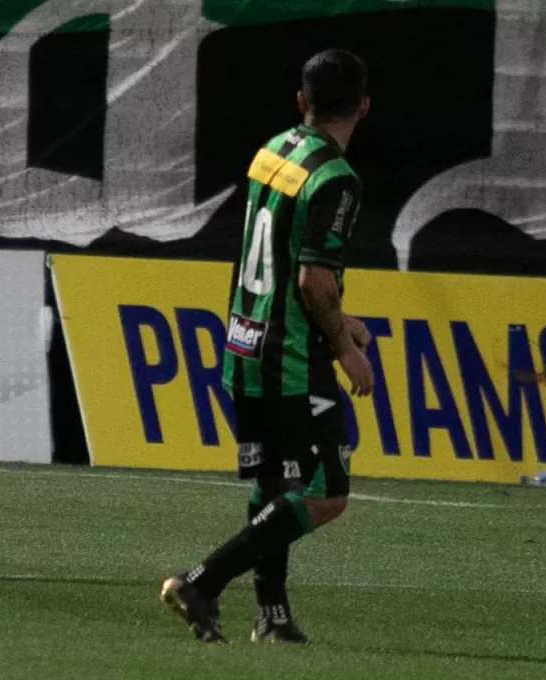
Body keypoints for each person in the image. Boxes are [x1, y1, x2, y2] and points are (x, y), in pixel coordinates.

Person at [160, 49, 373, 644]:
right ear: (363, 105)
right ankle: (201, 581)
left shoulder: (273, 151)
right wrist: (344, 344)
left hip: (245, 342)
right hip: (293, 359)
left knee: (273, 485)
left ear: (301, 102)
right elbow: (310, 277)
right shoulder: (337, 179)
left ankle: (272, 616)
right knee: (327, 493)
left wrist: (341, 316)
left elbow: (281, 261)